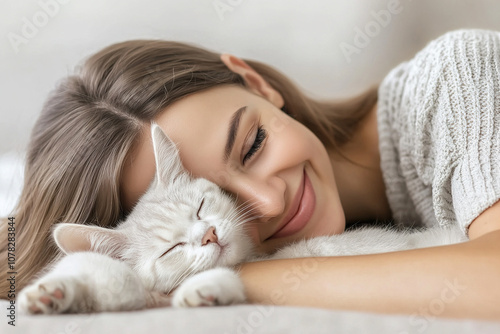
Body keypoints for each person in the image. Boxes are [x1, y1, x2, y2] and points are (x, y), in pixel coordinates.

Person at [1, 28, 500, 319]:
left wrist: (247, 276)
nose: (268, 203)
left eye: (254, 143)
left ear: (259, 84)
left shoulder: (453, 80)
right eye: (215, 197)